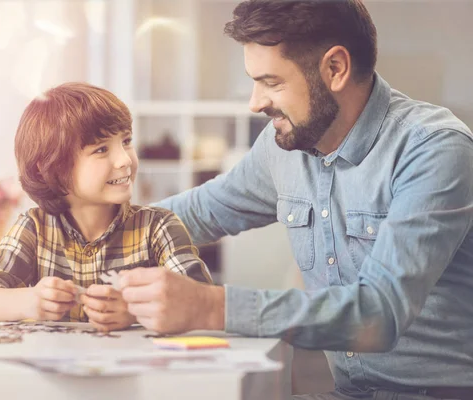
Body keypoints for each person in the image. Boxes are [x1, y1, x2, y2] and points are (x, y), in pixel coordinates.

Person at [118, 1, 473, 398]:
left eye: (271, 82)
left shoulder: (434, 148)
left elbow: (380, 312)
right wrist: (81, 226)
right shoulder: (282, 146)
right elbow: (198, 212)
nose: (255, 102)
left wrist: (211, 306)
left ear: (335, 68)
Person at [0, 82, 212, 331]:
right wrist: (31, 301)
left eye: (126, 141)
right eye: (101, 149)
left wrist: (134, 311)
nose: (124, 160)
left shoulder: (158, 227)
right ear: (54, 169)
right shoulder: (34, 228)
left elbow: (199, 303)